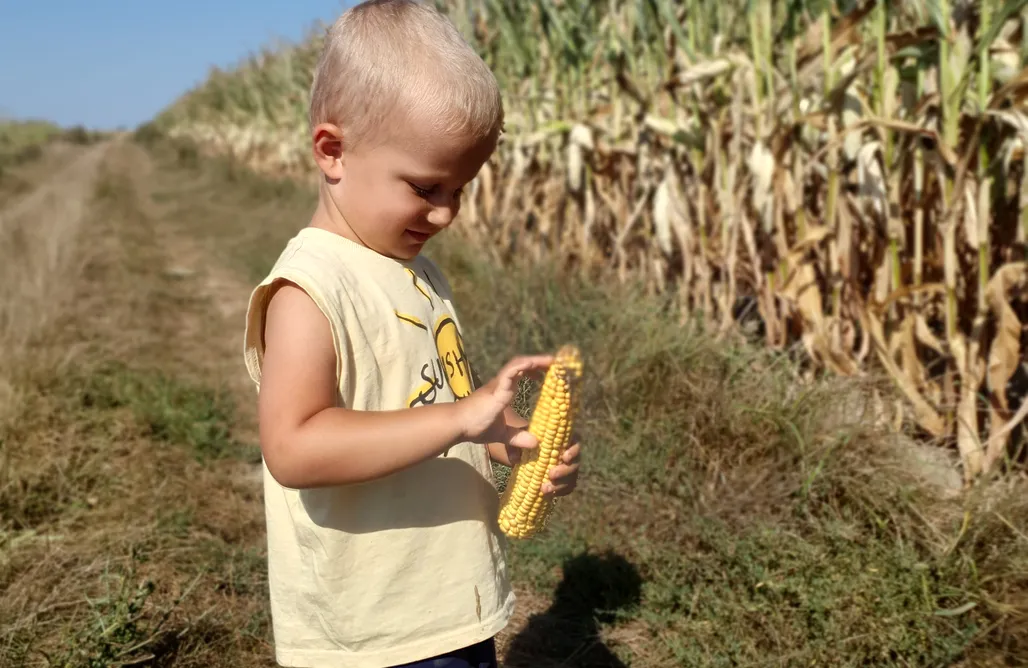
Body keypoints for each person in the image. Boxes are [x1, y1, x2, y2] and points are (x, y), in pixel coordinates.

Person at [240, 1, 581, 666]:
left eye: (462, 187)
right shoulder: (311, 290)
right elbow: (294, 447)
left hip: (449, 605)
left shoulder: (418, 274)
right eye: (427, 186)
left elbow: (427, 405)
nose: (447, 210)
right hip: (375, 631)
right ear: (332, 151)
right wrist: (459, 420)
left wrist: (510, 442)